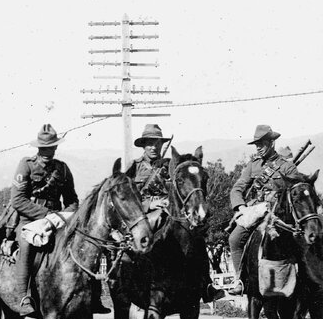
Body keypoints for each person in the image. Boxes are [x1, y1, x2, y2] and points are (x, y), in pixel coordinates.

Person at [3, 125, 108, 316]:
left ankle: (93, 295)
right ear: (38, 148)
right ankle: (22, 295)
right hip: (29, 220)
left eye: (50, 148)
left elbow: (72, 200)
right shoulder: (26, 165)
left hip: (57, 220)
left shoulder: (63, 169)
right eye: (43, 148)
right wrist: (46, 215)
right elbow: (18, 200)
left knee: (86, 242)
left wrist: (64, 215)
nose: (47, 152)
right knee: (27, 244)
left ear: (56, 148)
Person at [129, 124, 224, 303]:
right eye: (149, 143)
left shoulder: (170, 166)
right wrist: (152, 203)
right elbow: (128, 199)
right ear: (143, 145)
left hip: (172, 212)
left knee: (195, 236)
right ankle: (137, 280)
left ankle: (206, 284)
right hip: (146, 214)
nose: (153, 147)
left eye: (156, 143)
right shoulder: (134, 168)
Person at [228, 124, 310, 295]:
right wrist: (241, 207)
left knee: (303, 241)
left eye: (261, 144)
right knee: (235, 239)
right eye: (256, 144)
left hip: (280, 214)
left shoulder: (286, 166)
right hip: (257, 211)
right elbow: (237, 188)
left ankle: (307, 280)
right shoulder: (253, 165)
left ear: (271, 143)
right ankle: (241, 280)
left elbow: (298, 192)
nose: (258, 148)